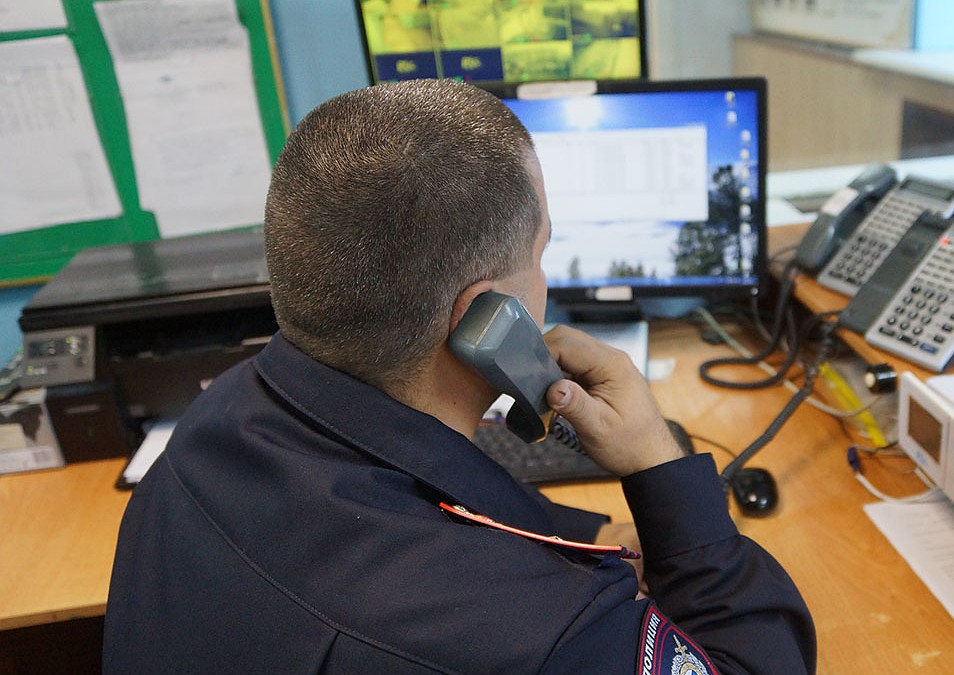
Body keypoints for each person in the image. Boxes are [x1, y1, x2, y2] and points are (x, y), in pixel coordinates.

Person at [102, 79, 817, 674]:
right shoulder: (546, 640)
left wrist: (602, 532)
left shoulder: (211, 426)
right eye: (541, 251)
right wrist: (661, 467)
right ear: (487, 317)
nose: (544, 276)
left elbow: (404, 515)